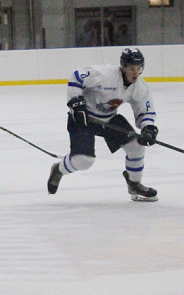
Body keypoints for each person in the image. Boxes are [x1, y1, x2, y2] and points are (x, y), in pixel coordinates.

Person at [47, 48, 158, 202]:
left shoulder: (140, 86)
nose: (135, 73)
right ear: (123, 67)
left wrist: (148, 128)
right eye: (132, 68)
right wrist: (76, 104)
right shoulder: (104, 75)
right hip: (84, 118)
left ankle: (134, 183)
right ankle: (58, 170)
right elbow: (77, 77)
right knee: (84, 161)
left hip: (109, 119)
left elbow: (145, 111)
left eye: (139, 68)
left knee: (137, 146)